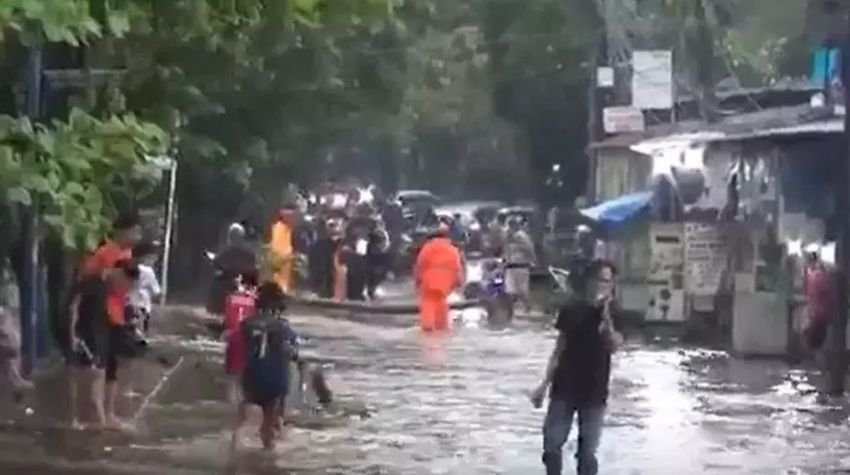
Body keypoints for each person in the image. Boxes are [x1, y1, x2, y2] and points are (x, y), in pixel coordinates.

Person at [529, 259, 623, 475]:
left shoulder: (615, 312)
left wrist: (607, 318)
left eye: (608, 282)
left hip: (595, 390)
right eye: (600, 280)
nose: (603, 286)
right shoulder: (571, 308)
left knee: (587, 453)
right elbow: (559, 349)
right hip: (564, 387)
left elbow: (615, 345)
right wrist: (543, 386)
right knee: (552, 446)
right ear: (590, 281)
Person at [77, 213, 142, 428]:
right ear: (122, 231)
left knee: (112, 366)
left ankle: (109, 413)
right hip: (99, 314)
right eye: (135, 230)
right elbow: (85, 278)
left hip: (117, 314)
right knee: (99, 364)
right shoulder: (105, 253)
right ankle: (97, 417)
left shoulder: (126, 253)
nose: (137, 235)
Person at [67, 259, 140, 430]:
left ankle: (99, 421)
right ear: (118, 273)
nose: (125, 288)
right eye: (125, 283)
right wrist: (72, 335)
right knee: (91, 380)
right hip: (86, 338)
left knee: (98, 379)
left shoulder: (109, 289)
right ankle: (95, 425)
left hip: (100, 337)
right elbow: (73, 307)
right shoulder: (93, 283)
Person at [230, 282, 299, 453]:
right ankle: (269, 457)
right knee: (268, 429)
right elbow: (292, 352)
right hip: (274, 380)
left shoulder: (247, 324)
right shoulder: (283, 327)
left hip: (251, 376)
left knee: (239, 423)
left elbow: (236, 349)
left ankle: (232, 454)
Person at [414, 224, 464, 332]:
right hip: (446, 283)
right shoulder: (453, 249)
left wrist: (417, 281)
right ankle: (442, 327)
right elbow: (457, 267)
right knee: (441, 302)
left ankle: (428, 327)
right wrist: (459, 282)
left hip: (429, 280)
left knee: (428, 303)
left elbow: (420, 265)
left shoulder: (427, 248)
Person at [208, 223, 258, 316]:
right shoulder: (250, 254)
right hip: (247, 288)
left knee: (217, 282)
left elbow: (217, 263)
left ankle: (216, 311)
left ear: (230, 238)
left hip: (230, 287)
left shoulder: (226, 253)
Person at [802, 249, 837, 353]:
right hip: (821, 314)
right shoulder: (820, 276)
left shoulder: (815, 277)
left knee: (815, 341)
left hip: (818, 315)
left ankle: (816, 353)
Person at [504, 217, 536, 312]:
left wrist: (532, 260)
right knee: (510, 291)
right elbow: (506, 250)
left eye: (510, 226)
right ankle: (510, 311)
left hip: (521, 266)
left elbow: (529, 249)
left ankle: (527, 309)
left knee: (522, 291)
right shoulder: (508, 236)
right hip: (511, 267)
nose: (508, 228)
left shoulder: (522, 236)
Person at [269, 207, 297, 294]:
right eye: (291, 216)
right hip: (280, 262)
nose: (293, 219)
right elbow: (277, 248)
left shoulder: (288, 229)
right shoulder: (279, 228)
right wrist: (289, 255)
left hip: (285, 264)